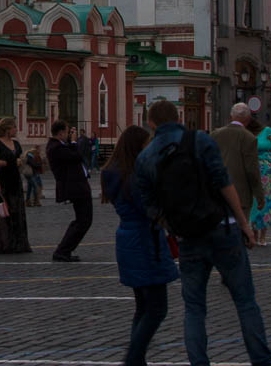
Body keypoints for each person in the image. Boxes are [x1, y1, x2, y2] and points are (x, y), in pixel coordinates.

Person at [135, 99, 271, 366]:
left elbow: (150, 206)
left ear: (150, 123)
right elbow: (224, 183)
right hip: (222, 227)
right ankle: (262, 361)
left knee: (194, 308)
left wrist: (174, 228)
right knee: (245, 302)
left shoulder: (145, 157)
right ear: (179, 118)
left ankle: (198, 362)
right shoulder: (199, 140)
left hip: (188, 237)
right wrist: (244, 224)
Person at [102, 125, 177, 366]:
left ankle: (138, 359)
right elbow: (150, 208)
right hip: (145, 239)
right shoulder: (134, 176)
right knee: (157, 308)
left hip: (128, 237)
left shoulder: (114, 172)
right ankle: (134, 357)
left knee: (143, 306)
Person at [211, 105, 263, 248]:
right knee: (239, 232)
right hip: (241, 193)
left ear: (230, 116)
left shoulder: (215, 134)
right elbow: (252, 170)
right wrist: (259, 195)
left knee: (219, 231)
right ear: (248, 119)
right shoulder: (249, 137)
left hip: (217, 192)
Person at [47, 119, 92, 262]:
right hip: (75, 187)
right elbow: (76, 156)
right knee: (83, 220)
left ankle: (64, 249)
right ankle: (63, 250)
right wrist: (73, 142)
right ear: (61, 133)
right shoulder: (56, 147)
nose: (68, 135)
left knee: (83, 220)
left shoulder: (60, 146)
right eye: (67, 132)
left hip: (77, 185)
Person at [0, 117, 31, 254]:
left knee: (17, 211)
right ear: (7, 129)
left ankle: (19, 243)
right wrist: (8, 163)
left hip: (15, 180)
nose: (16, 129)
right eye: (14, 127)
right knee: (4, 212)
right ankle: (4, 243)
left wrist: (19, 161)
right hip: (2, 181)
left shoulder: (16, 144)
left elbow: (18, 158)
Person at [249, 117, 271, 244]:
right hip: (254, 169)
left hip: (269, 171)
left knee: (267, 201)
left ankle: (263, 234)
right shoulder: (246, 133)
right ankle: (254, 231)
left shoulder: (267, 130)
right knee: (253, 201)